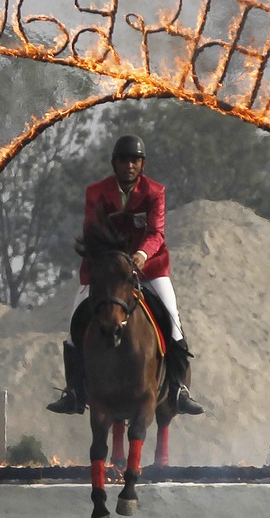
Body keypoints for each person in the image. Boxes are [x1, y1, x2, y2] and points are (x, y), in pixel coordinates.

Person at [47, 134, 205, 416]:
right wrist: (113, 262)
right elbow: (92, 233)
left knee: (173, 321)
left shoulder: (155, 192)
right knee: (74, 327)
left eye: (135, 160)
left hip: (149, 268)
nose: (129, 165)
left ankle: (179, 389)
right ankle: (74, 392)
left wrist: (141, 256)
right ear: (114, 163)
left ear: (142, 164)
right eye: (124, 160)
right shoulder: (96, 192)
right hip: (107, 272)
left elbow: (156, 233)